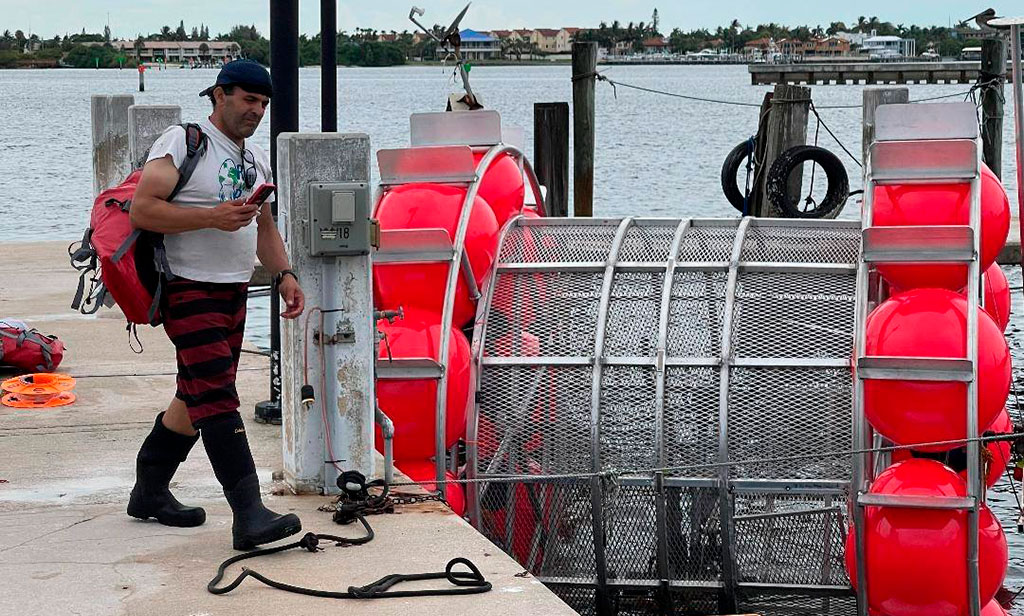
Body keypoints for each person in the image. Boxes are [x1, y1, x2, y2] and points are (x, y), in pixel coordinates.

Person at [125, 59, 305, 550]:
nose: (257, 111)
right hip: (187, 286)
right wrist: (211, 218)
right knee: (218, 397)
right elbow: (144, 208)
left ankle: (149, 489)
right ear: (219, 95)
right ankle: (248, 513)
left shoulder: (254, 161)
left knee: (197, 392)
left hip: (235, 289)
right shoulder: (182, 142)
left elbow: (262, 226)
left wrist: (284, 273)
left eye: (264, 104)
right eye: (248, 100)